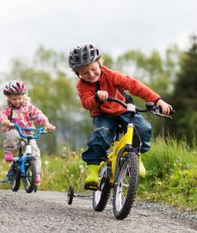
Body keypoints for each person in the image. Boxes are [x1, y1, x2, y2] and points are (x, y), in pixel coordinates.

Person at [68, 43, 173, 186]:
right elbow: (87, 103)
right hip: (102, 115)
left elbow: (134, 86)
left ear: (100, 63)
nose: (91, 75)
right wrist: (96, 98)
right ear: (78, 74)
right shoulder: (82, 85)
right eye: (85, 73)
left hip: (123, 109)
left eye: (93, 69)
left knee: (142, 128)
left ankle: (136, 157)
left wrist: (157, 100)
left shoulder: (111, 75)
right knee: (100, 136)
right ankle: (93, 172)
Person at [0, 80, 56, 184]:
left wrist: (46, 124)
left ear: (24, 96)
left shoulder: (28, 107)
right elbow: (2, 115)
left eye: (20, 98)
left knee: (35, 152)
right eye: (14, 99)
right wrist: (6, 121)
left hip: (28, 133)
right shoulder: (8, 108)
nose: (17, 101)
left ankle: (36, 173)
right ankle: (9, 151)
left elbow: (38, 115)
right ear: (8, 98)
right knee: (12, 135)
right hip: (15, 130)